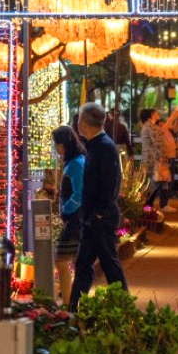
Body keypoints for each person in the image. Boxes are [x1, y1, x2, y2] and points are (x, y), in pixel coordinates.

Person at [69, 102, 127, 310]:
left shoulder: (102, 147)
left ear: (83, 124)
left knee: (108, 262)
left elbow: (109, 182)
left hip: (99, 218)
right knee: (86, 264)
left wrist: (100, 212)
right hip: (94, 217)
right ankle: (74, 307)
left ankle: (121, 303)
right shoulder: (99, 145)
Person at [51, 125, 85, 305]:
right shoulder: (75, 162)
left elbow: (80, 192)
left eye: (56, 144)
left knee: (61, 259)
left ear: (63, 145)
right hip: (74, 219)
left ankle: (68, 302)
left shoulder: (76, 164)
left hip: (74, 220)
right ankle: (69, 301)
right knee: (67, 260)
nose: (55, 148)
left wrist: (66, 209)